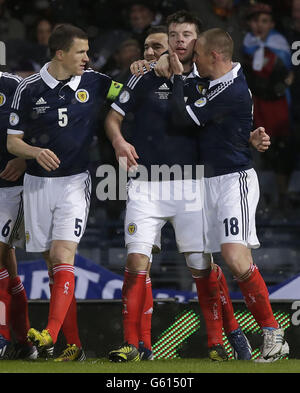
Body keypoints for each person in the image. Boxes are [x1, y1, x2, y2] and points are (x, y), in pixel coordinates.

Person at [105, 11, 270, 363]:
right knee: (136, 260)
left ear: (198, 43)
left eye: (186, 35)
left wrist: (250, 139)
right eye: (172, 35)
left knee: (203, 266)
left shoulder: (207, 81)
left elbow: (228, 124)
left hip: (193, 185)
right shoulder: (142, 77)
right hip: (146, 184)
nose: (179, 41)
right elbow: (112, 113)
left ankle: (220, 341)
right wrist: (118, 141)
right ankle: (134, 345)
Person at [163, 27, 289, 362]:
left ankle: (272, 333)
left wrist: (177, 78)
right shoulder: (216, 83)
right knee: (207, 261)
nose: (195, 62)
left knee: (234, 257)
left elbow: (184, 117)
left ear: (214, 56)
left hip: (234, 181)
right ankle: (229, 340)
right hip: (205, 183)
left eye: (200, 56)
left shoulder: (232, 89)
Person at [6, 24, 123, 361]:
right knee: (52, 264)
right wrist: (33, 152)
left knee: (62, 255)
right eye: (80, 52)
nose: (87, 58)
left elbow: (129, 96)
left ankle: (50, 334)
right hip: (37, 185)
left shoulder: (96, 82)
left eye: (87, 52)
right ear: (60, 53)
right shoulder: (27, 88)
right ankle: (73, 346)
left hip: (74, 182)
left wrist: (141, 72)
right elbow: (13, 141)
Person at [242, 3, 294, 211]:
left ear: (271, 24)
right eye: (255, 21)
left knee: (280, 148)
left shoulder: (281, 45)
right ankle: (259, 201)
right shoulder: (244, 46)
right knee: (258, 150)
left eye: (264, 21)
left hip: (278, 105)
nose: (259, 25)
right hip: (256, 104)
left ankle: (283, 197)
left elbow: (288, 75)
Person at [0, 71, 37, 360]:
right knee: (6, 264)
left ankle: (1, 337)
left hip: (9, 187)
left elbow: (42, 122)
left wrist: (25, 158)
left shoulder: (13, 86)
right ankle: (24, 340)